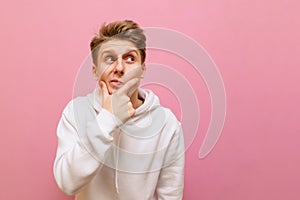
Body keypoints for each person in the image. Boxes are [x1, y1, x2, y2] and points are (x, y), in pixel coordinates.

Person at [53, 19, 185, 200]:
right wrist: (108, 119)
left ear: (143, 69)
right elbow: (67, 183)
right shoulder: (75, 112)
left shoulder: (167, 124)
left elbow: (170, 195)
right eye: (109, 58)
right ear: (94, 71)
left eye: (130, 58)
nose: (120, 68)